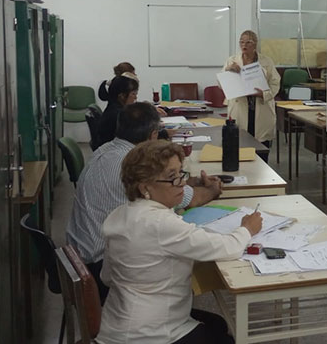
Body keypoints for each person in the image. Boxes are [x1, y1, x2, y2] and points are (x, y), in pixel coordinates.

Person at [96, 140, 262, 344]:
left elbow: (107, 277)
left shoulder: (120, 215)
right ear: (144, 187)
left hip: (115, 331)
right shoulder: (162, 223)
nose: (182, 185)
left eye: (180, 174)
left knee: (218, 326)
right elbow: (226, 247)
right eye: (172, 179)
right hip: (146, 342)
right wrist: (247, 229)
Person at [65, 102, 223, 300]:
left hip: (79, 260)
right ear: (153, 135)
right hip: (103, 270)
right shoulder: (133, 164)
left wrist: (190, 181)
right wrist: (212, 189)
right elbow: (187, 199)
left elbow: (166, 186)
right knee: (193, 250)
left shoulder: (105, 151)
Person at [223, 30, 281, 162]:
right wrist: (229, 71)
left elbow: (275, 83)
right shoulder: (232, 61)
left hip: (260, 108)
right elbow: (222, 85)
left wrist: (264, 94)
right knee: (239, 146)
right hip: (240, 107)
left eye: (248, 42)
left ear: (255, 44)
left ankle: (261, 176)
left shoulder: (266, 61)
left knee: (261, 147)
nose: (244, 45)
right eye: (242, 42)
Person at [96, 75, 139, 147]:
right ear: (121, 96)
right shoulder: (118, 115)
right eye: (133, 94)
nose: (135, 97)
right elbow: (136, 136)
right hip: (114, 152)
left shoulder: (114, 108)